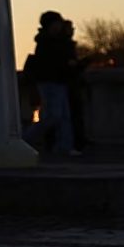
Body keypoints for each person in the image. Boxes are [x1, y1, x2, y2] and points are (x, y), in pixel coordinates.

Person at [25, 11, 82, 156]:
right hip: (50, 82)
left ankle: (64, 146)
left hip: (58, 81)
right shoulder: (48, 42)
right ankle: (26, 139)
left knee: (63, 116)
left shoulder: (50, 41)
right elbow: (51, 63)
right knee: (54, 116)